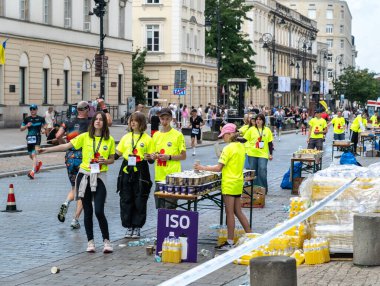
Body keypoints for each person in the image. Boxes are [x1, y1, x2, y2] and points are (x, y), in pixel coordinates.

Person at [40, 112, 115, 253]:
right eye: (96, 119)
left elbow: (112, 159)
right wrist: (47, 149)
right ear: (92, 122)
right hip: (84, 175)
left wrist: (105, 161)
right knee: (87, 211)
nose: (98, 121)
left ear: (104, 123)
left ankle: (106, 241)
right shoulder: (84, 137)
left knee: (99, 211)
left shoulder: (109, 140)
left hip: (100, 176)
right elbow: (66, 146)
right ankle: (90, 242)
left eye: (101, 120)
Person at [55, 100, 112, 229]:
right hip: (84, 159)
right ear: (86, 110)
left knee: (74, 187)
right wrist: (103, 106)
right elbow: (108, 121)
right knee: (83, 191)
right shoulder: (91, 122)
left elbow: (58, 135)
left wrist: (65, 144)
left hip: (70, 158)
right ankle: (75, 219)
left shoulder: (68, 121)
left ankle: (66, 202)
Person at [194, 123, 252, 250]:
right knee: (238, 212)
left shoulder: (228, 148)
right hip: (238, 182)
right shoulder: (241, 147)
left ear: (230, 134)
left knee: (229, 213)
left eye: (224, 135)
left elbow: (218, 168)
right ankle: (251, 236)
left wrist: (202, 167)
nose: (223, 138)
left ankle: (230, 242)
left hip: (229, 183)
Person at [115, 112, 154, 239]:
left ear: (141, 123)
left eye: (136, 121)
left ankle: (137, 226)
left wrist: (151, 157)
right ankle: (128, 226)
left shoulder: (147, 139)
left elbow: (151, 159)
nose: (133, 123)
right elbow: (118, 153)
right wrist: (105, 158)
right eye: (131, 120)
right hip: (127, 168)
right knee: (126, 197)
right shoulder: (126, 137)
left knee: (140, 198)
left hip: (141, 169)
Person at [146, 108, 186, 209]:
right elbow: (151, 157)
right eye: (162, 119)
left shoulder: (178, 135)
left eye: (167, 119)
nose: (164, 121)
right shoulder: (155, 135)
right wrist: (151, 156)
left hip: (173, 177)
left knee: (170, 208)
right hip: (159, 177)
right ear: (159, 119)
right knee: (160, 208)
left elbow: (183, 156)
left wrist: (169, 157)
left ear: (171, 119)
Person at [243, 114, 273, 194]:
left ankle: (263, 189)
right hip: (252, 153)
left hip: (263, 154)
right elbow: (244, 139)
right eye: (257, 119)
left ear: (263, 121)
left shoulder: (267, 130)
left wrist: (271, 154)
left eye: (260, 119)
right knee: (254, 172)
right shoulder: (251, 129)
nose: (258, 121)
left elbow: (270, 143)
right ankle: (256, 189)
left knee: (262, 170)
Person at [20, 104, 47, 179]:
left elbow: (45, 126)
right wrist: (26, 126)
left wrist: (44, 130)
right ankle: (38, 164)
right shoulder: (27, 119)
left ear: (36, 110)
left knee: (34, 154)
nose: (32, 111)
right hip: (29, 138)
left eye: (34, 109)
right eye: (31, 109)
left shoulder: (41, 119)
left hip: (37, 138)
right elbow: (21, 128)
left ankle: (32, 172)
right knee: (30, 155)